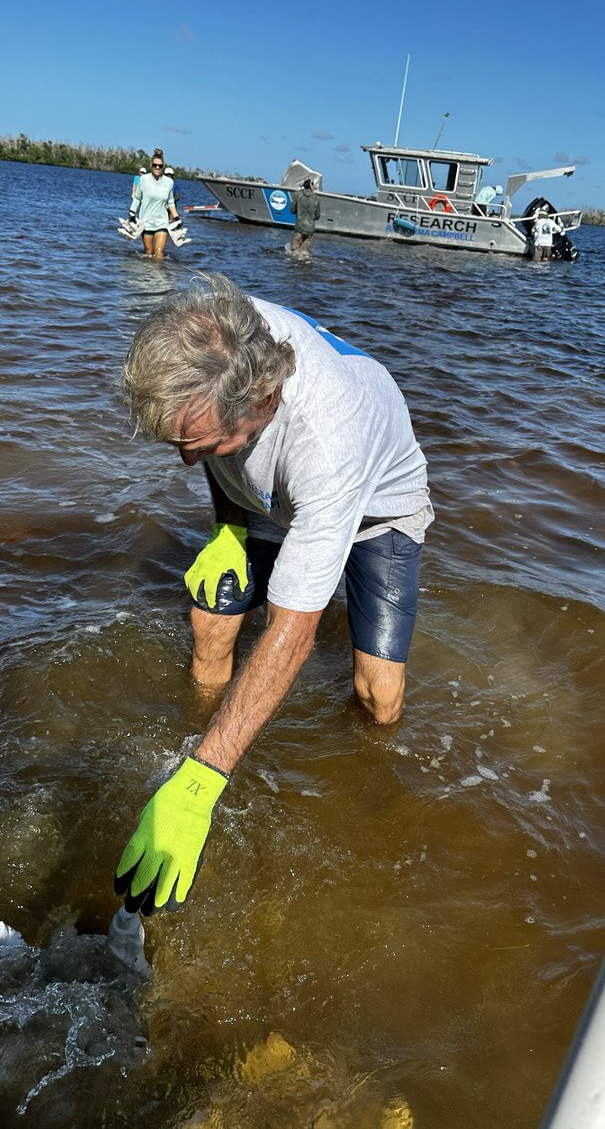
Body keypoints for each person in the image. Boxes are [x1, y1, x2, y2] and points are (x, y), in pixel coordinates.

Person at [114, 273, 434, 916]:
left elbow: (292, 633)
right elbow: (209, 455)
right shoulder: (216, 337)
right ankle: (201, 736)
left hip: (376, 510)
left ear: (260, 402)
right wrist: (228, 526)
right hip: (263, 497)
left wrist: (203, 784)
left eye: (197, 445)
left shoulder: (328, 442)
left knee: (378, 693)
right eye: (179, 442)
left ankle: (362, 791)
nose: (184, 461)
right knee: (210, 621)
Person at [128, 152, 180, 260]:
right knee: (149, 252)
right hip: (146, 222)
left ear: (163, 166)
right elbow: (137, 198)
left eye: (160, 166)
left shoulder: (169, 182)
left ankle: (159, 276)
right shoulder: (143, 180)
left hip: (161, 222)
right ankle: (148, 275)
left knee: (159, 252)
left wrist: (177, 218)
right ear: (151, 164)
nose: (157, 167)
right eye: (155, 165)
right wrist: (132, 213)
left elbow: (170, 202)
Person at [289, 177, 321, 255]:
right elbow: (317, 216)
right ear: (311, 186)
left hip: (299, 227)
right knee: (304, 253)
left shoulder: (297, 194)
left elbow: (292, 210)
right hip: (310, 229)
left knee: (294, 253)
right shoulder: (316, 198)